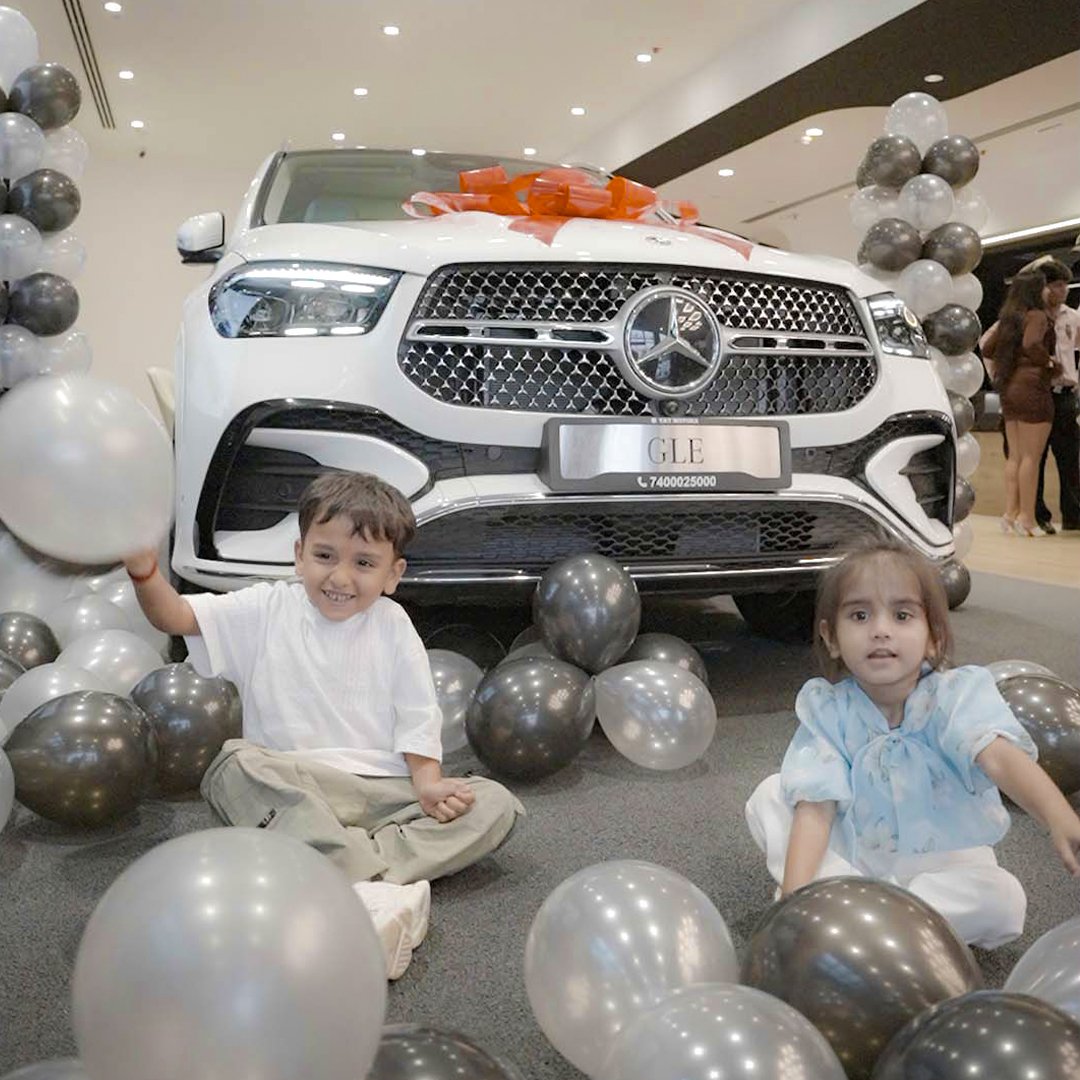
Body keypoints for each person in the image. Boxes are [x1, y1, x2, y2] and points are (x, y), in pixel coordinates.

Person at [124, 470, 524, 979]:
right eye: (324, 556)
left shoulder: (394, 626)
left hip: (384, 797)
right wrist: (143, 572)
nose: (339, 578)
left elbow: (417, 714)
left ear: (393, 574)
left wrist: (426, 784)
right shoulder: (266, 607)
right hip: (295, 788)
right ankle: (372, 886)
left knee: (493, 803)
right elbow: (176, 616)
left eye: (363, 564)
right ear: (298, 555)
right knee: (233, 766)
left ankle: (341, 873)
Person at [745, 537, 1080, 948]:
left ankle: (858, 915)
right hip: (857, 855)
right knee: (769, 797)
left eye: (902, 615)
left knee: (1003, 901)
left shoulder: (955, 697)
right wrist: (793, 901)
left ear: (934, 637)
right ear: (831, 637)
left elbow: (1001, 760)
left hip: (944, 862)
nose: (880, 631)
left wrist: (1058, 816)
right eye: (860, 615)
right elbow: (817, 806)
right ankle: (850, 910)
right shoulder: (829, 710)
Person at [981, 270, 1059, 536]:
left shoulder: (1009, 318)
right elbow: (1032, 343)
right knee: (1031, 458)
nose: (1049, 291)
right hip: (1033, 388)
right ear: (1037, 290)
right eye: (1045, 286)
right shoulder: (1037, 316)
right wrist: (1049, 362)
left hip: (1009, 388)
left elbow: (987, 348)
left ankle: (1010, 513)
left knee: (1014, 456)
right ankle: (1027, 517)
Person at [1022, 258, 1080, 532]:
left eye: (1066, 285)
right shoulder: (1029, 316)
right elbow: (989, 343)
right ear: (1043, 287)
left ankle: (1074, 516)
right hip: (1038, 394)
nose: (1063, 290)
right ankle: (1037, 515)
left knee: (1071, 458)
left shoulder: (1072, 316)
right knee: (1036, 457)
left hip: (1066, 395)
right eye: (1057, 285)